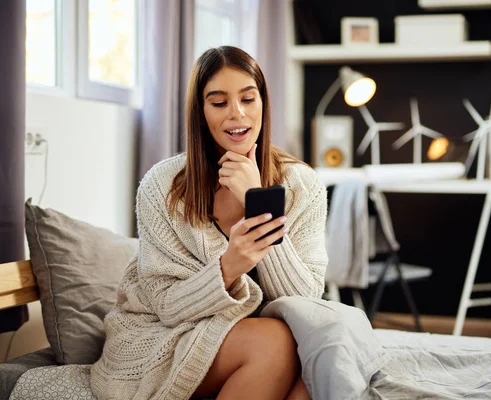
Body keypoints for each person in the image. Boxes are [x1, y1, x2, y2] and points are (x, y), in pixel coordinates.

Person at [90, 46, 328, 400]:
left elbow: (305, 299)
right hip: (160, 334)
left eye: (248, 99)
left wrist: (257, 201)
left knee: (312, 371)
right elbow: (168, 307)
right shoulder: (162, 186)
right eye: (219, 103)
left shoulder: (302, 185)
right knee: (276, 344)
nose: (237, 114)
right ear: (201, 113)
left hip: (245, 334)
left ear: (263, 102)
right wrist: (230, 265)